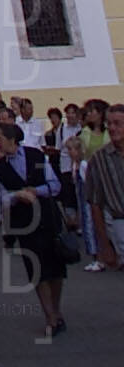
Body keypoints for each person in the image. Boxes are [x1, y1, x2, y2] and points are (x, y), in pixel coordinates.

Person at [0, 121, 67, 337]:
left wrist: (36, 190)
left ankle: (56, 308)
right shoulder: (0, 167)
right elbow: (2, 198)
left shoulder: (35, 155)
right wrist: (17, 195)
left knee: (56, 267)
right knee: (37, 270)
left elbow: (55, 185)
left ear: (12, 139)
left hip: (47, 217)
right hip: (24, 224)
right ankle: (50, 315)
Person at [84, 102, 124, 270]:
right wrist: (105, 246)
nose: (112, 128)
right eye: (109, 123)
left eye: (118, 123)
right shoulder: (99, 160)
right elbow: (95, 205)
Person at [78, 99, 110, 268]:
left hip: (108, 177)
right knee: (90, 215)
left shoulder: (110, 133)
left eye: (92, 111)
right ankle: (97, 256)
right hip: (89, 176)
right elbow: (82, 154)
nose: (89, 114)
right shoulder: (84, 133)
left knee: (110, 216)